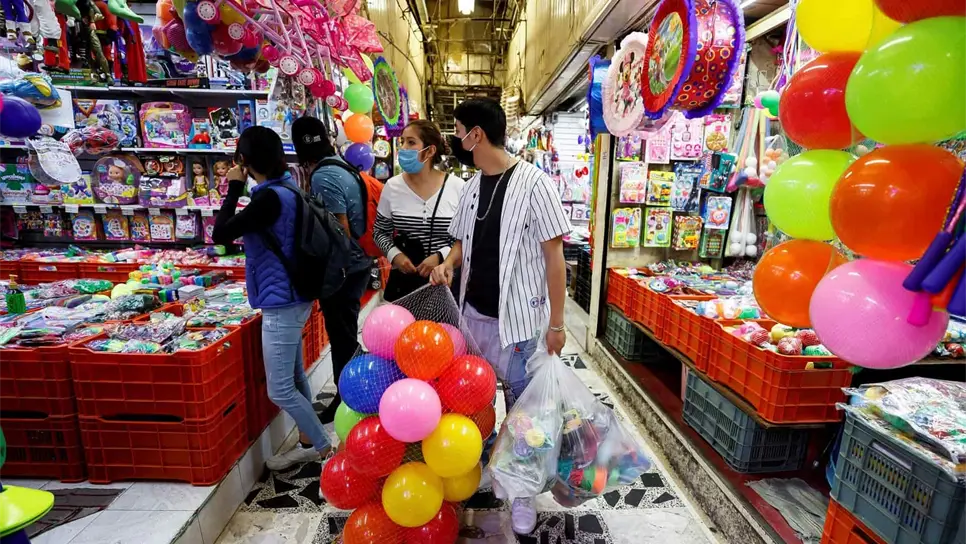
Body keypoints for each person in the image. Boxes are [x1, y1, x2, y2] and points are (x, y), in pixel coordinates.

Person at [430, 98, 571, 534]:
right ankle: (491, 469)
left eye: (457, 129)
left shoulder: (535, 183)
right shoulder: (472, 185)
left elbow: (555, 256)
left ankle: (524, 495)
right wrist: (449, 261)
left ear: (477, 134)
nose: (455, 138)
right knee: (475, 400)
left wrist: (558, 322)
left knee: (523, 411)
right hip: (473, 315)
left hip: (520, 324)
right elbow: (461, 240)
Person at [211, 126, 331, 470]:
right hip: (295, 295)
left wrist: (234, 186)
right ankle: (310, 442)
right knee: (295, 378)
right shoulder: (286, 190)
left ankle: (325, 450)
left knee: (279, 390)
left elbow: (221, 233)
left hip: (282, 302)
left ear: (245, 161)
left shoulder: (268, 199)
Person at [291, 116, 373, 425]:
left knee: (343, 341)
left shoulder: (323, 176)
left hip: (344, 269)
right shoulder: (342, 166)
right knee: (345, 337)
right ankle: (350, 394)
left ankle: (348, 399)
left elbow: (339, 230)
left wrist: (328, 272)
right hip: (356, 263)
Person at [374, 120, 465, 301]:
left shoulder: (457, 187)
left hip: (444, 285)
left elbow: (465, 237)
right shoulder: (393, 186)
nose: (404, 148)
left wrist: (441, 257)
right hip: (404, 285)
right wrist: (395, 255)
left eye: (411, 142)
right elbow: (379, 232)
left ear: (430, 151)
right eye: (403, 142)